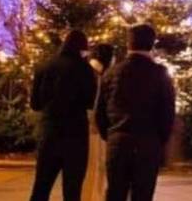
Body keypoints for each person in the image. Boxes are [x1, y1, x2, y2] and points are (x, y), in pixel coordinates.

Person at [95, 24, 176, 201]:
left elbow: (100, 112)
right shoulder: (160, 74)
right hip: (148, 142)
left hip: (118, 141)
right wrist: (159, 140)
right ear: (152, 44)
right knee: (143, 194)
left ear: (128, 44)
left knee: (116, 192)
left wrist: (110, 135)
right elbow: (168, 113)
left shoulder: (111, 73)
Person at [29, 30, 98, 201]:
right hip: (76, 135)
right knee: (72, 190)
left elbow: (35, 104)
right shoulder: (86, 70)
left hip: (50, 132)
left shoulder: (44, 67)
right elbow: (90, 102)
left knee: (41, 187)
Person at [83, 44, 114, 201]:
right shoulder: (101, 75)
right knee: (96, 169)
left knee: (88, 171)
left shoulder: (85, 70)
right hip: (95, 129)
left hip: (83, 127)